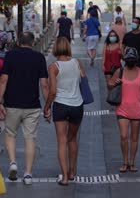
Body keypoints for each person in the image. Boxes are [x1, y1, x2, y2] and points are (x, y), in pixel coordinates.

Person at [0, 32, 49, 185]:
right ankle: (28, 173)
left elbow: (3, 80)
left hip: (12, 103)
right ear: (32, 43)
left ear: (18, 41)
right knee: (30, 138)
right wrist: (48, 105)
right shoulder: (39, 58)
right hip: (32, 105)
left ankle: (12, 162)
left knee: (10, 134)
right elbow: (44, 84)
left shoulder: (10, 56)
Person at [43, 37, 85, 186]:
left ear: (55, 48)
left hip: (60, 105)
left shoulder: (54, 67)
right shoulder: (77, 63)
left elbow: (53, 91)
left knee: (61, 140)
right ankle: (72, 171)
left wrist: (47, 106)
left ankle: (65, 177)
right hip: (77, 104)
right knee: (72, 139)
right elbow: (83, 81)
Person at [109, 48, 140, 173]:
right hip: (122, 109)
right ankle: (125, 162)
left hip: (137, 109)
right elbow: (110, 84)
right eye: (128, 59)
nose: (130, 62)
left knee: (134, 138)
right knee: (123, 136)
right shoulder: (119, 71)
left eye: (132, 60)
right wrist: (115, 83)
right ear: (125, 60)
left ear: (136, 60)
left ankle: (132, 162)